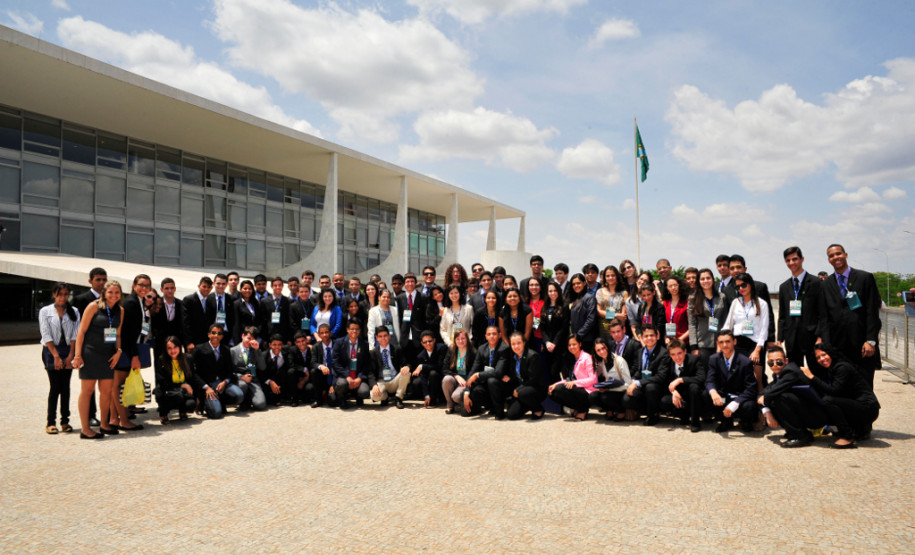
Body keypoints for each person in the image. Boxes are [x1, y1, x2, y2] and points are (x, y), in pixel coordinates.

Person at [818, 244, 882, 386]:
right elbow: (824, 318)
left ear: (846, 255)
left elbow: (872, 312)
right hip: (837, 347)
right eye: (831, 256)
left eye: (838, 254)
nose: (836, 258)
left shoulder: (865, 278)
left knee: (864, 387)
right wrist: (827, 347)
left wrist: (871, 340)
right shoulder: (825, 285)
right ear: (828, 260)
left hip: (862, 346)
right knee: (842, 387)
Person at [801, 342, 880, 449]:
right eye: (818, 357)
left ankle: (847, 436)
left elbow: (833, 391)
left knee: (828, 401)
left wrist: (812, 377)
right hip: (859, 406)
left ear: (830, 353)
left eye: (824, 355)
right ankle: (858, 430)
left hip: (868, 409)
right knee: (826, 402)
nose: (821, 359)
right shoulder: (834, 367)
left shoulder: (842, 367)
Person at [72, 280, 124, 439]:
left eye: (117, 292)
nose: (113, 295)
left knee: (107, 392)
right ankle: (85, 429)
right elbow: (81, 332)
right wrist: (77, 355)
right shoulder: (93, 306)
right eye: (110, 292)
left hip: (109, 355)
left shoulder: (120, 310)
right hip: (91, 353)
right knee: (87, 391)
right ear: (104, 293)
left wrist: (118, 352)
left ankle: (104, 424)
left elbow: (118, 334)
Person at [757, 346, 827, 448]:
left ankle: (800, 436)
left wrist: (764, 398)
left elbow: (770, 394)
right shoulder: (777, 375)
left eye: (779, 362)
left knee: (780, 397)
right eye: (771, 363)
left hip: (817, 416)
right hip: (806, 413)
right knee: (773, 399)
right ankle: (799, 433)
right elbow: (761, 395)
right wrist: (768, 413)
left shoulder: (791, 371)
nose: (775, 365)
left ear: (786, 361)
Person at [777, 246, 825, 378]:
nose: (791, 263)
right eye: (788, 260)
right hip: (792, 338)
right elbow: (782, 316)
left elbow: (822, 313)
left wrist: (820, 337)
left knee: (818, 373)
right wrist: (779, 339)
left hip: (812, 337)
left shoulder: (816, 283)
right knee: (794, 374)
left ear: (802, 259)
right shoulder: (784, 287)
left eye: (794, 259)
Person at [110, 274, 149, 433]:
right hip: (126, 351)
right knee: (118, 387)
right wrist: (134, 355)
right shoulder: (131, 303)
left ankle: (114, 418)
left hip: (129, 349)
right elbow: (127, 333)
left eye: (147, 285)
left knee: (117, 386)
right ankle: (123, 420)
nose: (144, 288)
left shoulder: (139, 301)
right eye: (141, 285)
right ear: (134, 285)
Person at [39, 282, 80, 434]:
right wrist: (56, 356)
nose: (63, 297)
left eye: (66, 294)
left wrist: (71, 355)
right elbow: (45, 333)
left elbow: (76, 334)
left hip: (68, 351)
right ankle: (50, 422)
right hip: (51, 351)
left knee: (66, 387)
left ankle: (65, 421)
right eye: (60, 294)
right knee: (55, 386)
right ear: (53, 295)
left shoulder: (74, 311)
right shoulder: (45, 311)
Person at [722, 273, 769, 390]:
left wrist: (757, 350)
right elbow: (728, 324)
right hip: (738, 344)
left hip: (754, 345)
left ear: (750, 285)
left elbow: (764, 328)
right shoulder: (735, 302)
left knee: (757, 380)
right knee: (739, 379)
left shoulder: (761, 303)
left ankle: (760, 406)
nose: (741, 289)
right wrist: (721, 341)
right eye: (738, 287)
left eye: (743, 285)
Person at [704, 330, 757, 432]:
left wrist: (736, 402)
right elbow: (710, 380)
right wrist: (713, 393)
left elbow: (751, 388)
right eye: (721, 342)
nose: (725, 345)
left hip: (739, 399)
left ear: (734, 342)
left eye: (728, 341)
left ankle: (745, 421)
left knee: (749, 406)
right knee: (707, 394)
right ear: (718, 344)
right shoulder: (714, 359)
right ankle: (725, 421)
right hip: (724, 399)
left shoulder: (745, 362)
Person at [73, 267, 106, 425]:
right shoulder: (81, 300)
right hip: (89, 348)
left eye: (104, 279)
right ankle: (90, 415)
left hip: (106, 348)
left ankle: (108, 415)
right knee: (89, 385)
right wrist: (77, 353)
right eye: (98, 279)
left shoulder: (110, 299)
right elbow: (78, 328)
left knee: (106, 384)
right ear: (90, 281)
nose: (101, 283)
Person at [192, 324, 244, 418]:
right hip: (207, 385)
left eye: (219, 333)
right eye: (214, 333)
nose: (216, 335)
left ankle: (220, 401)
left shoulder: (226, 350)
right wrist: (206, 388)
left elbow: (230, 370)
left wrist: (225, 382)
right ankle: (203, 403)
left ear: (222, 336)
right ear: (209, 334)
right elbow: (194, 373)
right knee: (216, 413)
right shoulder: (199, 349)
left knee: (239, 396)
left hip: (222, 383)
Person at [722, 255, 775, 344]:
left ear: (745, 269)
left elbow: (768, 316)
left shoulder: (759, 287)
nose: (735, 270)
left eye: (738, 267)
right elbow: (727, 318)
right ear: (729, 271)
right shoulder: (726, 291)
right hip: (736, 340)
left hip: (757, 340)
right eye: (732, 268)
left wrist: (770, 339)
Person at [622, 327, 670, 426]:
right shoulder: (640, 351)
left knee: (650, 387)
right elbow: (639, 371)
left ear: (657, 336)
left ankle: (653, 415)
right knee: (627, 399)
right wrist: (632, 381)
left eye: (652, 335)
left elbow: (661, 377)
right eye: (646, 336)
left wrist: (638, 382)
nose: (649, 338)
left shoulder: (663, 353)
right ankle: (646, 411)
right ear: (642, 338)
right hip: (643, 386)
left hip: (657, 387)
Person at [659, 338, 706, 432]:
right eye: (673, 354)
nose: (677, 357)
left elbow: (701, 378)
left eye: (679, 353)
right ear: (669, 354)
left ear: (685, 351)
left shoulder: (694, 360)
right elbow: (662, 379)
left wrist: (681, 380)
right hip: (678, 394)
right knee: (664, 401)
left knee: (694, 387)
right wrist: (673, 391)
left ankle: (695, 421)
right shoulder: (667, 361)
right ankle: (683, 416)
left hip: (692, 395)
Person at [463, 326, 510, 417]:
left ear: (499, 335)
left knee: (491, 381)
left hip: (502, 383)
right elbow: (474, 370)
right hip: (487, 381)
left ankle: (499, 411)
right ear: (486, 336)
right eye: (489, 334)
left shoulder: (504, 348)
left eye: (494, 334)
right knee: (477, 390)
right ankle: (488, 407)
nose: (491, 336)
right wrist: (466, 392)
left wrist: (478, 375)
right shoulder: (481, 349)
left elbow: (498, 372)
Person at [549, 335, 597, 421]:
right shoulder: (571, 359)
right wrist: (555, 384)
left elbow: (593, 379)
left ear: (580, 344)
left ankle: (583, 410)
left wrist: (575, 383)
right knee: (553, 392)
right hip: (577, 389)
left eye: (574, 344)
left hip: (588, 391)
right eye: (569, 345)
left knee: (562, 388)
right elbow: (568, 379)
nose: (571, 347)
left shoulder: (587, 358)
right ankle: (579, 408)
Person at [688, 268, 727, 369]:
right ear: (699, 282)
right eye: (702, 279)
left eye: (708, 278)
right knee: (705, 374)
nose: (706, 281)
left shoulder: (722, 297)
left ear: (713, 280)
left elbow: (725, 321)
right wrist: (694, 346)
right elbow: (692, 324)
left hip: (720, 343)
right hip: (702, 344)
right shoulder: (693, 299)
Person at [504, 332, 547, 420]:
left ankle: (538, 409)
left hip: (536, 389)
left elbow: (533, 379)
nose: (516, 346)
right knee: (511, 415)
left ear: (524, 343)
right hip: (523, 391)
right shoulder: (513, 356)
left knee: (522, 393)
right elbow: (516, 375)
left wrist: (518, 389)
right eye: (513, 344)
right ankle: (528, 404)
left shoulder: (532, 356)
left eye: (519, 343)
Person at [154, 336, 196, 425]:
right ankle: (163, 413)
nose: (173, 351)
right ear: (166, 349)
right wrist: (182, 385)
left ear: (180, 347)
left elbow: (193, 377)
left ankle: (182, 411)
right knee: (178, 396)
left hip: (183, 391)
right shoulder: (162, 360)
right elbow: (162, 382)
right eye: (169, 348)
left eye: (175, 347)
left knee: (191, 404)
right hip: (167, 391)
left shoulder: (188, 358)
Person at [587, 337, 632, 421]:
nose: (602, 351)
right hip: (610, 391)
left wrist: (609, 390)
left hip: (621, 391)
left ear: (607, 346)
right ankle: (609, 410)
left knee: (605, 397)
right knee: (593, 396)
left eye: (603, 348)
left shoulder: (619, 360)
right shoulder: (603, 362)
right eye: (598, 350)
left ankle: (621, 411)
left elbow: (628, 384)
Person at [330, 319, 371, 408]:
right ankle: (342, 398)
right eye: (352, 329)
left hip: (357, 376)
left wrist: (359, 378)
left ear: (360, 331)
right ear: (347, 329)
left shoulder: (364, 344)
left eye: (357, 329)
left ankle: (358, 396)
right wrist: (347, 376)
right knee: (341, 384)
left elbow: (366, 364)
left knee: (364, 391)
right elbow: (335, 362)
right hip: (344, 376)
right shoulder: (339, 342)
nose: (354, 331)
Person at [368, 325, 410, 408]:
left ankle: (398, 397)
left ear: (389, 336)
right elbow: (370, 372)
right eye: (380, 336)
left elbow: (406, 363)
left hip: (394, 380)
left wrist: (407, 367)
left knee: (406, 373)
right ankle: (385, 397)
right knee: (374, 396)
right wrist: (374, 385)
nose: (383, 338)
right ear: (377, 338)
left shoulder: (397, 349)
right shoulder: (373, 353)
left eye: (385, 336)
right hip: (382, 381)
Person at [230, 326, 268, 411]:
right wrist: (240, 377)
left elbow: (262, 367)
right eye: (248, 338)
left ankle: (251, 399)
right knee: (243, 385)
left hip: (253, 380)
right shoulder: (232, 351)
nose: (250, 341)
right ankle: (243, 402)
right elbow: (229, 371)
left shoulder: (255, 349)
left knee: (261, 404)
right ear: (243, 336)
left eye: (253, 339)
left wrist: (258, 350)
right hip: (239, 380)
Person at [539, 282, 569, 382]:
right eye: (550, 291)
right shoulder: (545, 306)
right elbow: (542, 327)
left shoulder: (564, 306)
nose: (553, 293)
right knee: (549, 371)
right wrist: (547, 342)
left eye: (555, 290)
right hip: (547, 346)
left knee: (557, 371)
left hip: (560, 345)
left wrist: (554, 343)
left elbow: (563, 328)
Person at [441, 329, 476, 414]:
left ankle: (462, 402)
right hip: (456, 379)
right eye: (458, 339)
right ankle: (450, 406)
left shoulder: (473, 352)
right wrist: (456, 376)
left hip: (467, 381)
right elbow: (444, 369)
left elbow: (474, 371)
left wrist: (467, 381)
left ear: (467, 339)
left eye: (463, 338)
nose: (460, 341)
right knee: (446, 379)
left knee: (456, 396)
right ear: (455, 340)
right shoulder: (451, 351)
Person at [396, 272, 428, 366]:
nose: (410, 284)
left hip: (418, 337)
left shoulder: (423, 297)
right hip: (405, 337)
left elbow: (425, 319)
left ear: (415, 283)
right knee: (406, 364)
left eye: (412, 281)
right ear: (404, 284)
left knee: (418, 364)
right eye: (407, 281)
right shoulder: (399, 298)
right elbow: (398, 318)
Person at [412, 331, 448, 407]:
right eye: (425, 342)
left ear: (434, 340)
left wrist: (422, 366)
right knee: (416, 382)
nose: (428, 343)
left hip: (442, 376)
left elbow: (439, 366)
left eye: (430, 341)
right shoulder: (420, 356)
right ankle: (429, 398)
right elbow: (423, 375)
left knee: (433, 373)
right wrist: (426, 395)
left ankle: (435, 399)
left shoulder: (442, 348)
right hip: (429, 379)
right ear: (422, 343)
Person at [595, 265, 628, 341]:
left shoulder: (623, 293)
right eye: (608, 276)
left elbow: (623, 316)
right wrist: (615, 315)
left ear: (617, 276)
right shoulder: (600, 292)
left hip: (618, 329)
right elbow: (599, 311)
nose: (610, 278)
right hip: (603, 329)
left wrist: (618, 323)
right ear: (604, 278)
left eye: (613, 275)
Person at [567, 273, 598, 353]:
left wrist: (579, 335)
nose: (576, 286)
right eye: (574, 284)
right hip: (576, 339)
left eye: (578, 283)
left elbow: (591, 319)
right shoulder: (574, 299)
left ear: (584, 283)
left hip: (586, 340)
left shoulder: (589, 298)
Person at [182, 276, 213, 352]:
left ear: (211, 288)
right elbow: (185, 322)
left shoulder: (211, 301)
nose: (206, 289)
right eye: (204, 286)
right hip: (193, 342)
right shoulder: (189, 300)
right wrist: (188, 342)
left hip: (206, 342)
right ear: (199, 286)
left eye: (208, 287)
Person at [308, 324, 336, 408]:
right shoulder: (316, 347)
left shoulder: (337, 344)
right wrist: (321, 366)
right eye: (322, 333)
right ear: (319, 335)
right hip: (322, 376)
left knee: (333, 402)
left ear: (331, 333)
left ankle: (333, 394)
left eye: (326, 332)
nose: (325, 335)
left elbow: (341, 363)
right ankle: (318, 400)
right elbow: (313, 362)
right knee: (314, 371)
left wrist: (334, 384)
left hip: (334, 376)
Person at [261, 276, 292, 345]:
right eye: (275, 285)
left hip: (283, 335)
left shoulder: (288, 301)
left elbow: (289, 321)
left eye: (280, 285)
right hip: (269, 335)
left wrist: (289, 338)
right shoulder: (264, 301)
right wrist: (264, 339)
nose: (278, 287)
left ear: (283, 286)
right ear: (271, 286)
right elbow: (263, 321)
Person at [263, 334, 290, 406]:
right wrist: (270, 382)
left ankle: (282, 396)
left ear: (283, 345)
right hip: (267, 381)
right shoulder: (264, 356)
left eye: (279, 345)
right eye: (274, 345)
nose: (277, 347)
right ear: (270, 345)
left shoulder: (286, 353)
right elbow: (261, 373)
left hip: (280, 380)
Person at [661, 276, 689, 347]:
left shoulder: (687, 303)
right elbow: (664, 323)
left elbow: (692, 326)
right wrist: (666, 337)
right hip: (670, 342)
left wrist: (679, 340)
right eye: (670, 286)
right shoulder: (665, 303)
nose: (673, 288)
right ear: (667, 288)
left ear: (679, 286)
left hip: (684, 342)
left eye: (675, 285)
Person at [209, 273, 234, 346]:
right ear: (213, 284)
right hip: (212, 334)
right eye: (218, 283)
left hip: (226, 333)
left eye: (223, 284)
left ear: (226, 284)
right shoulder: (208, 299)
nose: (221, 286)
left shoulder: (231, 299)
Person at [288, 331, 312, 406]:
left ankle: (306, 397)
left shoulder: (311, 350)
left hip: (308, 377)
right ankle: (294, 399)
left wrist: (305, 379)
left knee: (309, 389)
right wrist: (304, 369)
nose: (301, 343)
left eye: (303, 341)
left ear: (306, 340)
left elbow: (313, 365)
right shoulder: (292, 350)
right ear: (295, 343)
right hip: (297, 376)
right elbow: (291, 364)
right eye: (298, 342)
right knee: (291, 371)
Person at [626, 271, 653, 337]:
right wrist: (639, 339)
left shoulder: (653, 298)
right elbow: (633, 324)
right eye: (641, 279)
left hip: (653, 334)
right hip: (638, 335)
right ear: (637, 280)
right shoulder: (629, 301)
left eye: (645, 281)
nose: (642, 282)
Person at [524, 278, 546, 352]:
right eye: (531, 285)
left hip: (541, 338)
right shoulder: (525, 302)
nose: (534, 287)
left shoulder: (546, 302)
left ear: (540, 287)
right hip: (528, 338)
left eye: (537, 285)